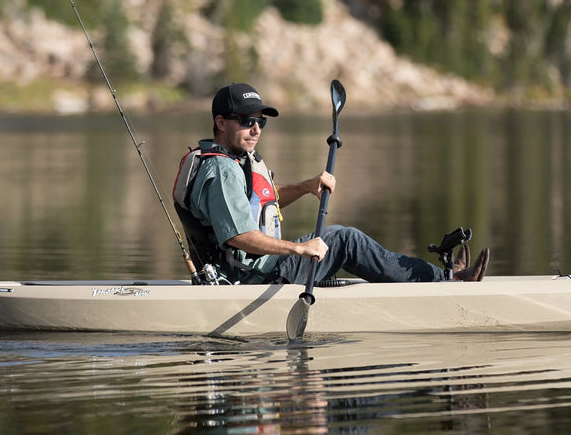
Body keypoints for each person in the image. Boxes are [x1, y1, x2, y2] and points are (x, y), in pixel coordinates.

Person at [173, 82, 489, 285]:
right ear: (220, 122)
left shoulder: (236, 160)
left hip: (258, 269)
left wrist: (306, 186)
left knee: (337, 241)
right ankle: (447, 280)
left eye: (260, 121)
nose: (256, 129)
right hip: (253, 276)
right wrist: (298, 248)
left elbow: (257, 206)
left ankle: (440, 276)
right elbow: (240, 236)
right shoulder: (222, 170)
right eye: (246, 121)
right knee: (344, 241)